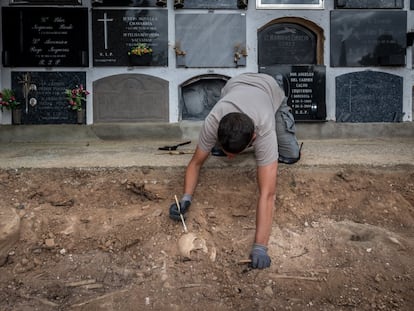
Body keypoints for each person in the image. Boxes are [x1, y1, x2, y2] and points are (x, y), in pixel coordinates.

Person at [169, 73, 301, 269]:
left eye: (236, 153)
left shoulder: (264, 130)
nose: (231, 158)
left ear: (253, 138)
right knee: (213, 151)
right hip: (235, 84)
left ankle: (281, 105)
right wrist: (186, 197)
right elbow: (195, 163)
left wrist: (260, 247)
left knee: (290, 154)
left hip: (269, 88)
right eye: (228, 152)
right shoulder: (213, 122)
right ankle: (225, 146)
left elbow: (268, 193)